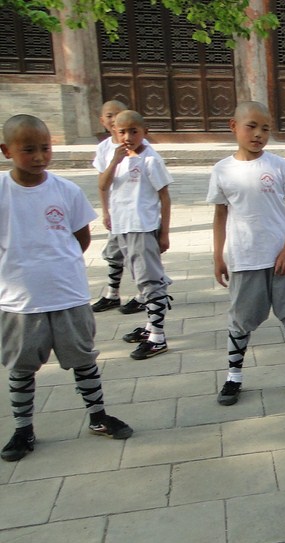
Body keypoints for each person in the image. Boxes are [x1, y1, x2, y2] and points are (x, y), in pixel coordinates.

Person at [0, 114, 133, 462]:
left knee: (83, 359)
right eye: (28, 150)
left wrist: (56, 265)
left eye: (45, 148)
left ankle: (98, 416)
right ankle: (23, 428)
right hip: (19, 300)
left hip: (67, 293)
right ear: (7, 151)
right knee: (22, 366)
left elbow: (80, 238)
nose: (40, 156)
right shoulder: (2, 193)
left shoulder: (66, 190)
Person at [208, 101, 285, 405]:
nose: (259, 134)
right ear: (234, 126)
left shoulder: (279, 166)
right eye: (251, 126)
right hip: (245, 258)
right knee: (241, 320)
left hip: (281, 259)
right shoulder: (222, 170)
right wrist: (218, 255)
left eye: (265, 128)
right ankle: (234, 377)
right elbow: (220, 216)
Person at [99, 110, 174, 360]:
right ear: (114, 132)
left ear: (145, 131)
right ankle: (151, 327)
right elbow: (103, 185)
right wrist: (114, 162)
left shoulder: (150, 160)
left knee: (150, 281)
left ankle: (158, 337)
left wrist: (164, 232)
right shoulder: (115, 155)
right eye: (122, 132)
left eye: (134, 131)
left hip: (142, 226)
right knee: (140, 279)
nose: (128, 137)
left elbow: (164, 196)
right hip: (123, 227)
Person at [90, 99, 146, 315]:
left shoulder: (141, 149)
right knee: (114, 253)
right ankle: (113, 294)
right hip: (117, 212)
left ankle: (145, 295)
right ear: (103, 121)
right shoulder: (104, 148)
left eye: (118, 114)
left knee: (139, 258)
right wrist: (106, 211)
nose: (114, 120)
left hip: (137, 216)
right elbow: (102, 184)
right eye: (110, 116)